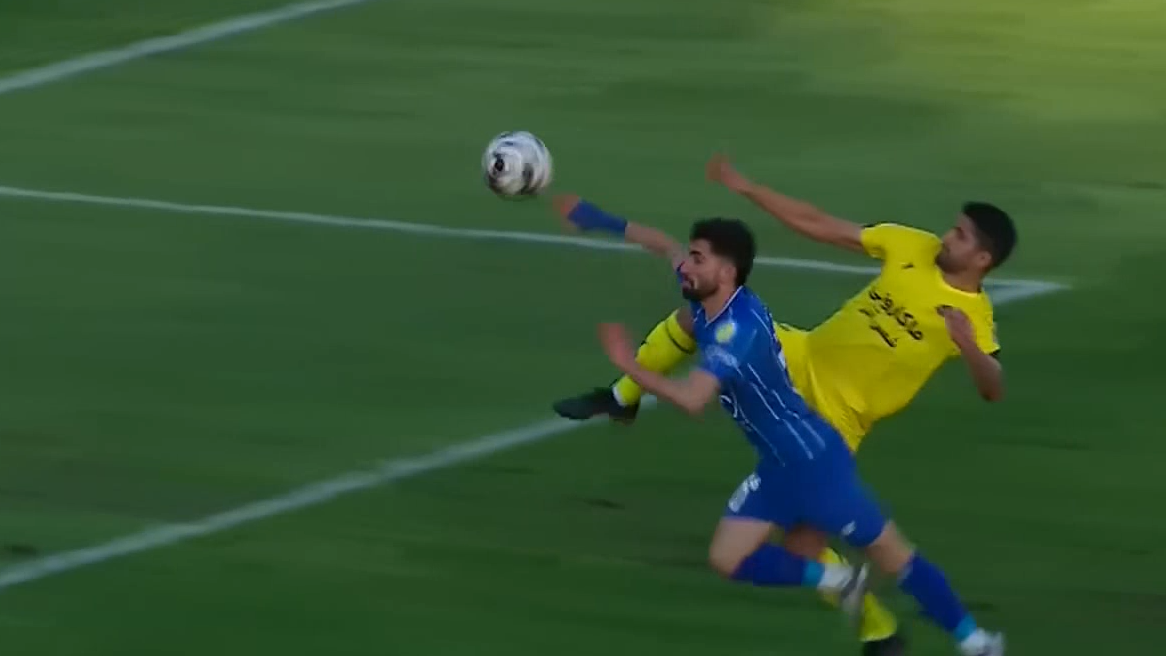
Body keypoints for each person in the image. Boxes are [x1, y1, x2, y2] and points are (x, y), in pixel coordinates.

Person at [554, 155, 1016, 655]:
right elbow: (819, 224)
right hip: (803, 356)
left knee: (803, 545)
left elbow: (993, 387)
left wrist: (967, 345)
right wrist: (748, 188)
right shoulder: (913, 246)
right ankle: (623, 397)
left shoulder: (975, 316)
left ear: (982, 259)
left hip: (840, 416)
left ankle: (879, 629)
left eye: (960, 235)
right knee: (697, 317)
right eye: (953, 227)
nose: (947, 236)